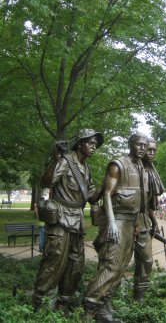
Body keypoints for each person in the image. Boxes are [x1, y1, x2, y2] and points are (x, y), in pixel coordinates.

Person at [33, 128, 104, 313]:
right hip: (61, 220)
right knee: (54, 262)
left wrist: (108, 185)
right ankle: (40, 304)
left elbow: (92, 196)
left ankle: (63, 304)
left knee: (75, 265)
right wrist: (55, 160)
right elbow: (46, 182)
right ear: (80, 143)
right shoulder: (66, 162)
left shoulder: (87, 168)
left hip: (77, 221)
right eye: (90, 142)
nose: (93, 147)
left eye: (95, 144)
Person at [84, 133, 148, 323]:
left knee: (120, 268)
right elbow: (107, 194)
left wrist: (137, 224)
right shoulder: (118, 164)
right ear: (131, 145)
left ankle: (104, 308)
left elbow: (138, 202)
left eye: (145, 145)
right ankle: (88, 310)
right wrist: (111, 222)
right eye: (139, 144)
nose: (142, 148)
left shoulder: (141, 167)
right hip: (117, 221)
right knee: (110, 266)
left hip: (130, 223)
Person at [133, 138, 164, 303]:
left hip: (144, 220)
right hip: (127, 220)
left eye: (154, 150)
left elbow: (148, 202)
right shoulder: (131, 169)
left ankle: (139, 297)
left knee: (146, 260)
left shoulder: (150, 172)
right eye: (149, 149)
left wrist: (154, 221)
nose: (151, 153)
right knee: (118, 263)